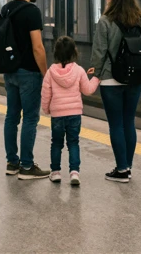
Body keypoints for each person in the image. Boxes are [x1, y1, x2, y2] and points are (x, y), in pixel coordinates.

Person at [90, 0, 141, 183]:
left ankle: (121, 169)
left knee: (115, 124)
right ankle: (127, 167)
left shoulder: (105, 21)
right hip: (135, 77)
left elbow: (99, 52)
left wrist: (94, 74)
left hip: (110, 78)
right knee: (128, 122)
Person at [2, 0, 49, 180]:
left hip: (10, 71)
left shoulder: (6, 8)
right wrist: (46, 73)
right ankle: (27, 167)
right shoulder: (32, 11)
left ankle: (12, 162)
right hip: (29, 72)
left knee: (12, 116)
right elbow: (37, 47)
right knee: (30, 118)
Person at [41, 36, 99, 186]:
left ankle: (55, 172)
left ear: (55, 53)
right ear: (74, 52)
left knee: (56, 144)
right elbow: (88, 90)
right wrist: (96, 78)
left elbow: (46, 94)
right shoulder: (79, 71)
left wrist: (46, 109)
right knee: (73, 143)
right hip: (74, 114)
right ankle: (74, 173)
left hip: (57, 115)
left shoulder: (50, 72)